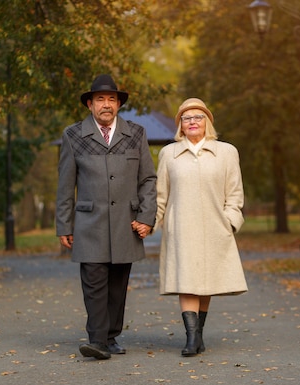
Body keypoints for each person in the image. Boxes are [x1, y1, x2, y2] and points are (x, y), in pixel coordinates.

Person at [56, 74, 157, 360]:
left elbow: (148, 178)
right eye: (100, 99)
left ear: (118, 104)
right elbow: (65, 184)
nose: (106, 105)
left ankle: (111, 336)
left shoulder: (135, 133)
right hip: (90, 223)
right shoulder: (74, 135)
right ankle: (97, 340)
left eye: (111, 100)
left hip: (127, 223)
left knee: (117, 284)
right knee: (94, 281)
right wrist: (64, 224)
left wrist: (147, 216)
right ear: (90, 104)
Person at [155, 98, 248, 357]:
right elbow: (160, 195)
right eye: (186, 118)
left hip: (215, 228)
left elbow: (235, 193)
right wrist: (150, 223)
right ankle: (192, 338)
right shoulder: (168, 154)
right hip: (181, 228)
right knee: (188, 281)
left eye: (198, 117)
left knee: (205, 282)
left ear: (207, 122)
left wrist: (230, 221)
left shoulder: (227, 152)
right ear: (180, 126)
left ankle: (198, 336)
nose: (192, 121)